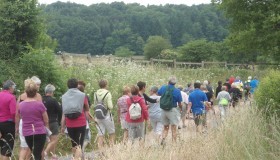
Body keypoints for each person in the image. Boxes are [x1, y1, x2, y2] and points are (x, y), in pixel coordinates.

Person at [17, 79, 49, 160]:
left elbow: (19, 116)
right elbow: (46, 120)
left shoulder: (20, 105)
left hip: (27, 132)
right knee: (37, 153)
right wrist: (47, 129)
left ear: (26, 92)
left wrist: (17, 128)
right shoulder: (40, 104)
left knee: (33, 151)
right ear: (36, 92)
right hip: (40, 131)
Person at [61, 78, 90, 159]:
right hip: (81, 123)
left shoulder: (64, 96)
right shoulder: (82, 95)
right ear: (77, 85)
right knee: (79, 145)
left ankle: (74, 157)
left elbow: (64, 113)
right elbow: (87, 109)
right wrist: (88, 121)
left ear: (68, 85)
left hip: (69, 124)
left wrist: (62, 126)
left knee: (73, 144)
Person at [158, 76, 182, 144]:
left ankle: (163, 139)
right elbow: (179, 103)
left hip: (163, 110)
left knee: (165, 127)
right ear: (175, 83)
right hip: (172, 110)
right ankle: (174, 143)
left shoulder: (163, 87)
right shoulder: (177, 91)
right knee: (174, 128)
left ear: (168, 82)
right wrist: (180, 109)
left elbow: (159, 94)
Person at [94, 79, 115, 149]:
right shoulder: (107, 93)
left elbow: (95, 105)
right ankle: (111, 150)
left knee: (100, 134)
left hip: (98, 116)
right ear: (106, 85)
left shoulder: (95, 93)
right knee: (111, 133)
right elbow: (110, 106)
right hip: (107, 116)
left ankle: (100, 151)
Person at [43, 84, 62, 159]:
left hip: (43, 123)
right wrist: (60, 121)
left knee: (50, 141)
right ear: (52, 92)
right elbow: (60, 111)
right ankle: (45, 152)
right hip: (53, 122)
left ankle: (53, 156)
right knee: (54, 140)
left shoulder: (41, 99)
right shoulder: (53, 100)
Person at [0, 80, 17, 160]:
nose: (14, 89)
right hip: (8, 123)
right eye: (14, 87)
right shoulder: (11, 97)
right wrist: (16, 123)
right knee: (8, 147)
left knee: (2, 145)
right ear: (10, 87)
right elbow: (13, 112)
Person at [77, 80, 92, 151]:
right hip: (84, 119)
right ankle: (81, 150)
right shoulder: (85, 96)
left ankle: (77, 152)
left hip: (72, 121)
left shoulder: (71, 96)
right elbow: (88, 109)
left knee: (76, 138)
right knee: (87, 137)